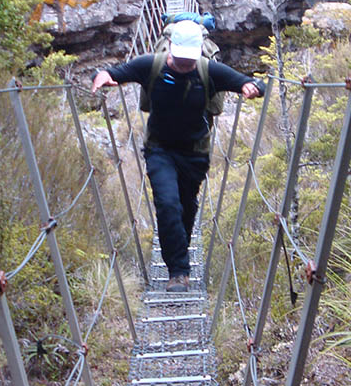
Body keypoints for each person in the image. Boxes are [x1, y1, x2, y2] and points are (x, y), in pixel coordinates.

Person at [92, 19, 262, 292]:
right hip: (159, 149)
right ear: (170, 46)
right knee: (168, 204)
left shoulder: (208, 70)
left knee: (186, 207)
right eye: (181, 59)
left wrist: (251, 88)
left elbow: (250, 82)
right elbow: (114, 73)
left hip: (195, 153)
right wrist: (102, 76)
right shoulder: (151, 65)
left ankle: (179, 248)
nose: (185, 64)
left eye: (189, 60)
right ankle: (178, 272)